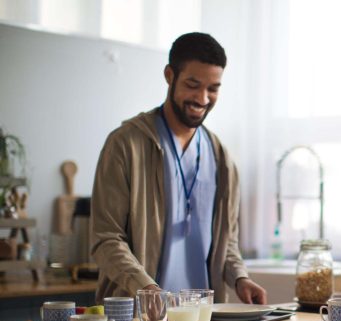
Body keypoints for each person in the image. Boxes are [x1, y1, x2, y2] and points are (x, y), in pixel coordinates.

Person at [90, 32, 266, 305]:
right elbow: (105, 239)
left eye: (213, 88)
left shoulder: (221, 159)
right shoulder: (125, 145)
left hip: (202, 320)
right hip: (140, 319)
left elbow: (226, 243)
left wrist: (240, 278)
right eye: (193, 85)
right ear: (170, 75)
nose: (203, 98)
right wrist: (144, 286)